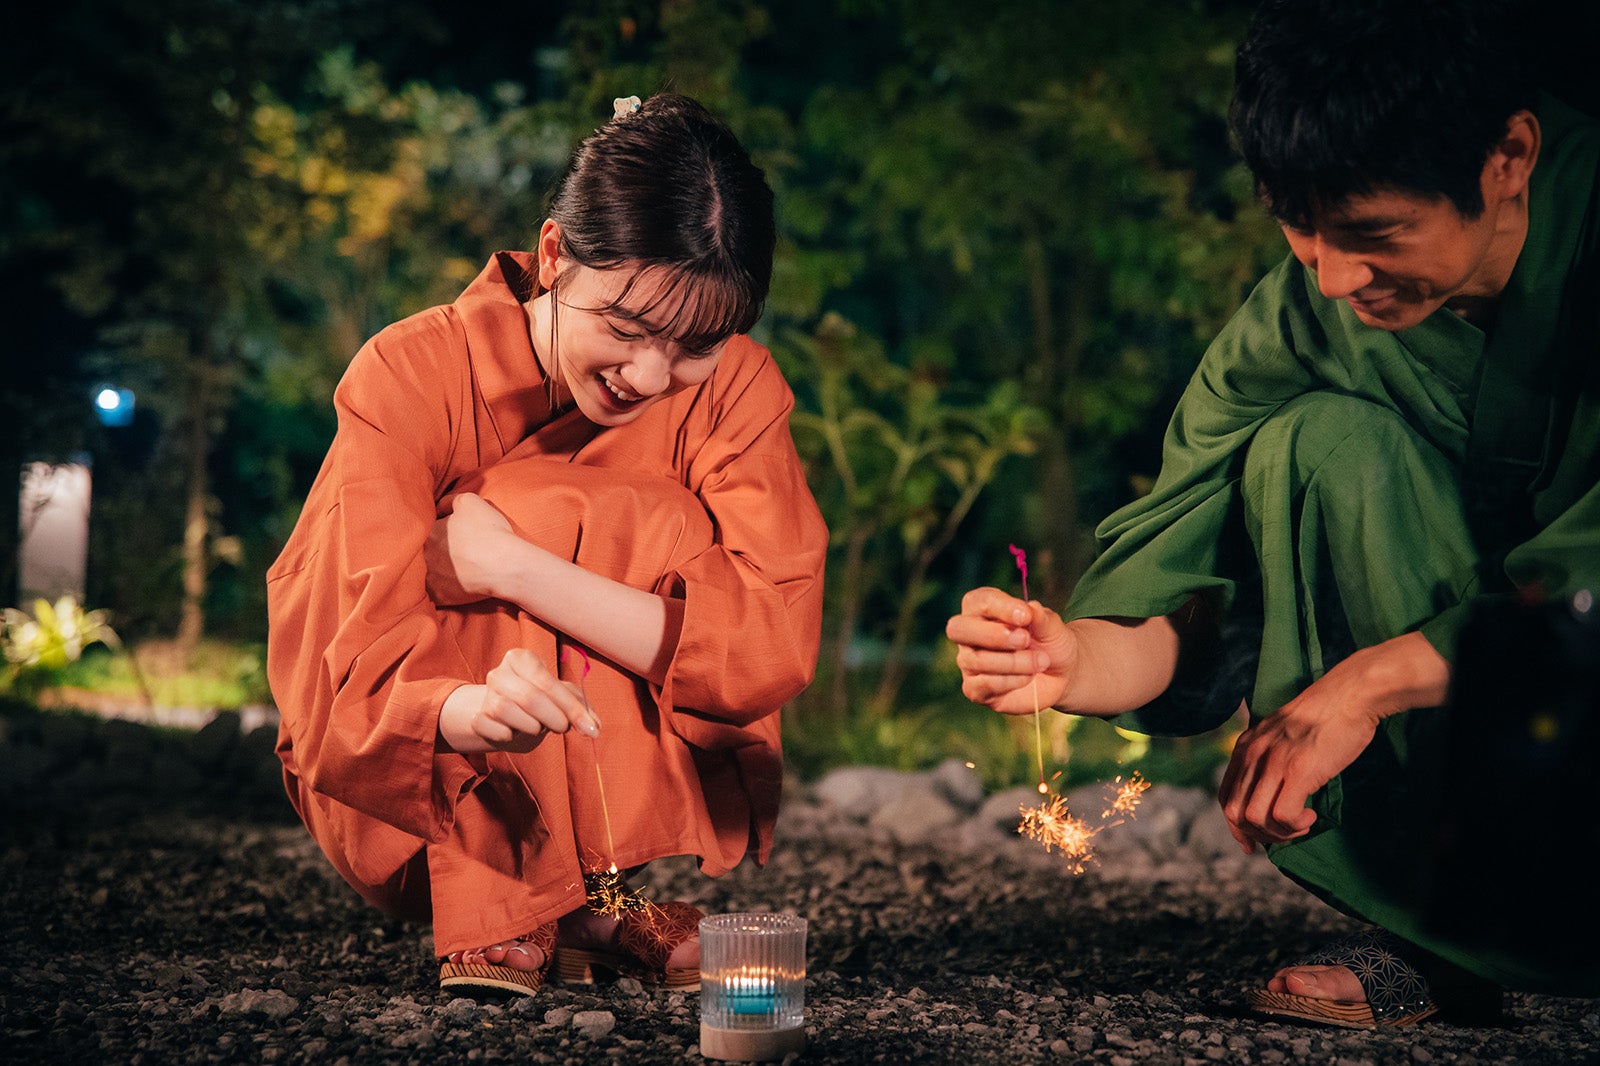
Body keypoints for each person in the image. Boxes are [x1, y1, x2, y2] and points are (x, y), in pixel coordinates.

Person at [948, 0, 1599, 1029]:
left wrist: (1368, 686)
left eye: (1373, 233)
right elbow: (1188, 575)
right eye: (1301, 229)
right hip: (1499, 770)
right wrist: (1071, 660)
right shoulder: (1299, 323)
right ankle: (1446, 934)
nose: (1334, 278)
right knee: (1313, 442)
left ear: (1508, 157)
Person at [266, 92, 828, 999]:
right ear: (557, 255)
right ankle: (501, 896)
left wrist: (514, 567)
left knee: (647, 520)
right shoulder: (408, 373)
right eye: (625, 329)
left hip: (623, 793)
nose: (650, 376)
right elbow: (340, 652)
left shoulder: (736, 391)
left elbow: (771, 640)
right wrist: (462, 712)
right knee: (535, 500)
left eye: (696, 345)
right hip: (413, 782)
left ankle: (594, 902)